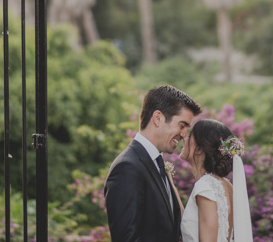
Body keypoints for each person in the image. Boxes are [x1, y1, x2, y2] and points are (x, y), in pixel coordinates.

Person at [105, 85, 201, 242]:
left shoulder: (159, 165)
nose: (184, 135)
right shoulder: (127, 167)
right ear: (158, 118)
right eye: (182, 126)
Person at [173, 119, 253, 242]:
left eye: (190, 136)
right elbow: (192, 223)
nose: (184, 137)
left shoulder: (205, 186)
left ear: (199, 149)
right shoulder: (226, 185)